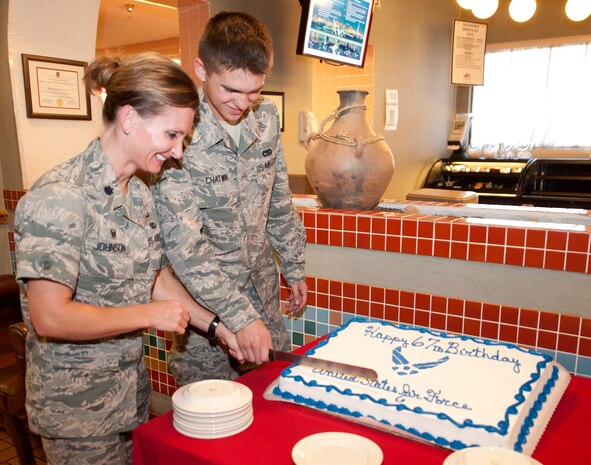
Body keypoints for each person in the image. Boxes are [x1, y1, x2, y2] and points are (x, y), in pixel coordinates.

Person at [14, 52, 243, 465]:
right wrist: (148, 315)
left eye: (183, 139)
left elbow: (156, 277)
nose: (177, 152)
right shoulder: (61, 197)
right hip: (77, 416)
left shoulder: (138, 192)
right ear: (130, 119)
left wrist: (216, 326)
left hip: (129, 399)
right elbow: (50, 317)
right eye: (172, 135)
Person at [152, 11, 308, 384]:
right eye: (231, 91)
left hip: (263, 293)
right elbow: (185, 246)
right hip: (205, 308)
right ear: (202, 70)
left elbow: (278, 202)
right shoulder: (179, 134)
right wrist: (238, 317)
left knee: (272, 398)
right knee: (209, 417)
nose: (243, 103)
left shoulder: (266, 119)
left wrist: (294, 265)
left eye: (253, 92)